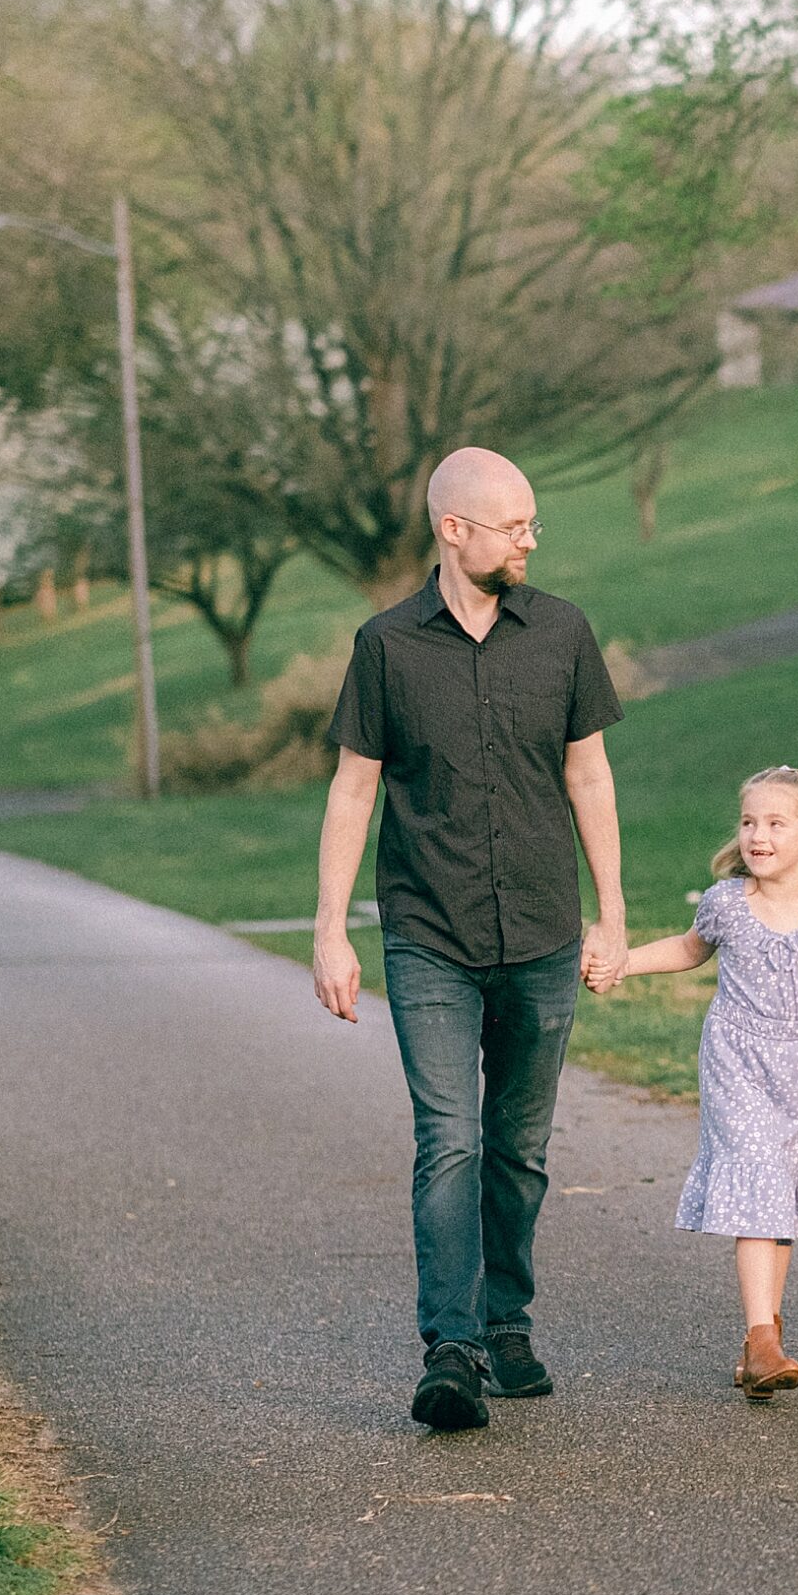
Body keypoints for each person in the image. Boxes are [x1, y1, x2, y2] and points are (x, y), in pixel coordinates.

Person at [312, 445, 628, 1433]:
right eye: (515, 524)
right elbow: (354, 788)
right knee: (447, 1137)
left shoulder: (563, 634)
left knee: (519, 1147)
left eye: (534, 523)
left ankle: (507, 1324)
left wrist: (614, 916)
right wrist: (330, 929)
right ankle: (449, 1348)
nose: (531, 538)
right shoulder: (387, 647)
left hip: (541, 929)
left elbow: (590, 778)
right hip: (429, 935)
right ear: (456, 530)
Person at [584, 766, 798, 1398]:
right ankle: (763, 1339)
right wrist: (623, 965)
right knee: (756, 1177)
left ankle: (763, 1334)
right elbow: (689, 950)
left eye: (775, 823)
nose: (757, 835)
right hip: (734, 1058)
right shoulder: (726, 903)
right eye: (749, 822)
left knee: (782, 1192)